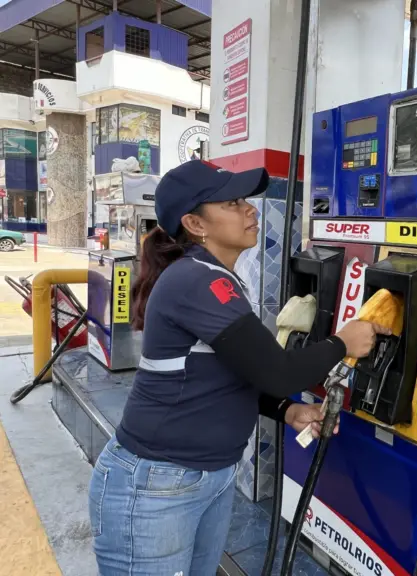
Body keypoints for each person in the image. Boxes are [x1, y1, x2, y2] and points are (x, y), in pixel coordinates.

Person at [88, 160, 389, 575]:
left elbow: (234, 371)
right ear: (195, 223)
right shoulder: (198, 279)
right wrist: (343, 342)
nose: (250, 209)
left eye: (246, 200)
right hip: (157, 484)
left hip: (205, 476)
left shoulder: (213, 276)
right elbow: (278, 372)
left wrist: (288, 411)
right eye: (232, 202)